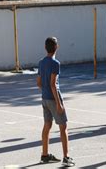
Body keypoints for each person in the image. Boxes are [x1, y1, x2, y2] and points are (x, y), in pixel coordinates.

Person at [36, 37, 75, 167]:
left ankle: (45, 154)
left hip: (44, 98)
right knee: (63, 127)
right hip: (53, 98)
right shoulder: (55, 63)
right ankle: (66, 157)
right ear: (57, 47)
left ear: (45, 47)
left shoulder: (41, 62)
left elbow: (39, 83)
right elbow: (53, 84)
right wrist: (58, 103)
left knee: (47, 125)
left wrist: (45, 92)